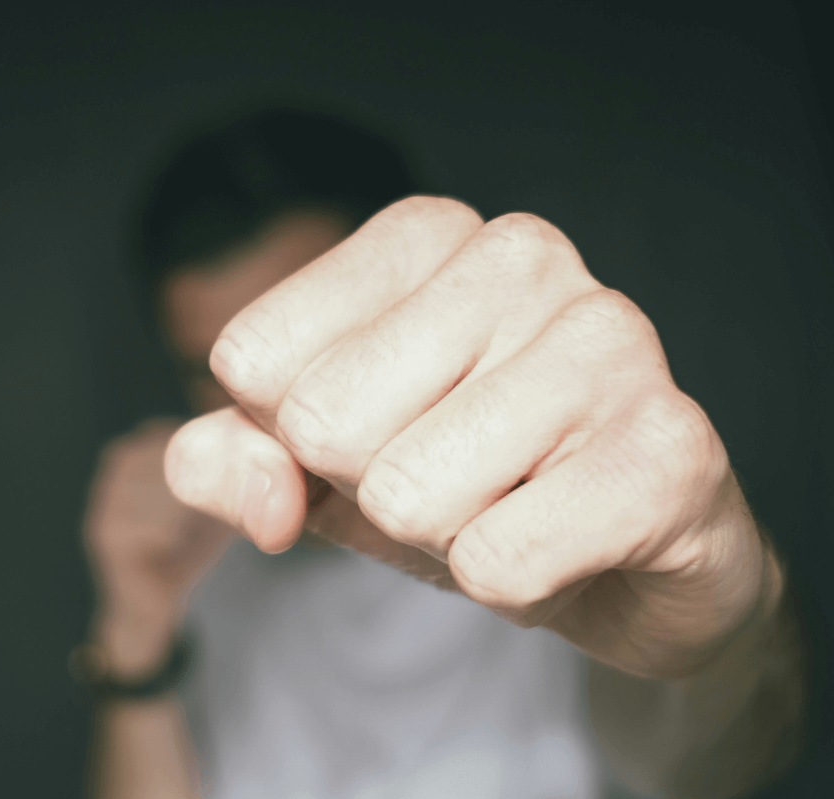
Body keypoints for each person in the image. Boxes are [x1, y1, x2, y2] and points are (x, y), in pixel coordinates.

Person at [74, 108, 806, 798]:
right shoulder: (191, 557)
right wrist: (136, 640)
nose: (269, 410)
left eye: (306, 339)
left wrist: (719, 634)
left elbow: (727, 763)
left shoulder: (559, 497)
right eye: (214, 372)